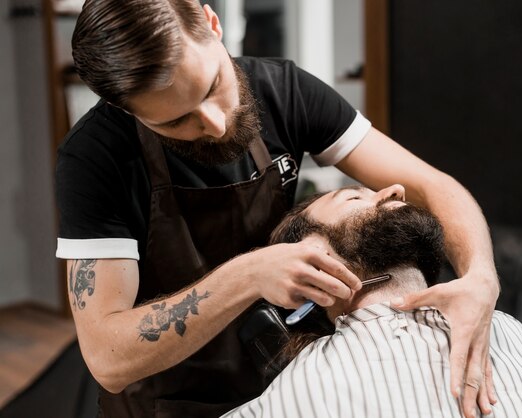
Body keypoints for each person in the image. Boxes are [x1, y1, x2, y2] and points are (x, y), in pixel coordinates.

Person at [56, 1, 499, 416]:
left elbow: (429, 185)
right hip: (167, 401)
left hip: (284, 380)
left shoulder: (285, 91)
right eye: (175, 121)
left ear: (212, 25)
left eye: (213, 86)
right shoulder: (96, 159)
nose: (214, 123)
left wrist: (480, 276)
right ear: (123, 108)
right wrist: (249, 276)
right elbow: (106, 357)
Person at [222, 184, 522, 418]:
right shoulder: (312, 378)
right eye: (353, 197)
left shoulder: (498, 325)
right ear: (312, 257)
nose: (395, 188)